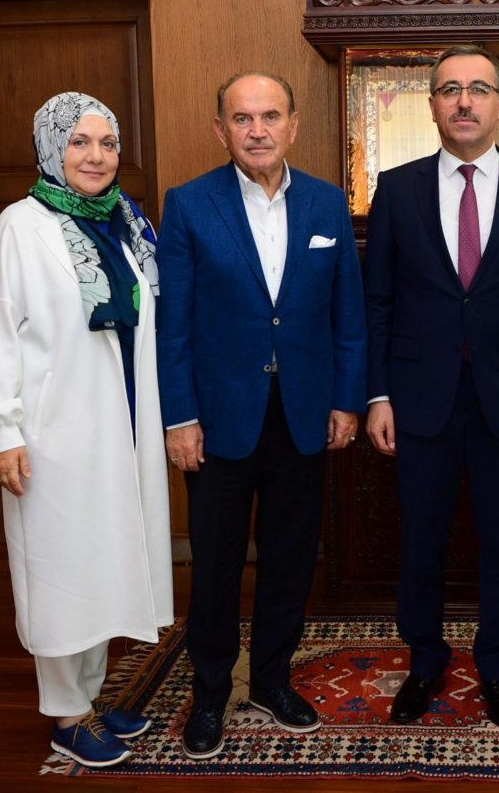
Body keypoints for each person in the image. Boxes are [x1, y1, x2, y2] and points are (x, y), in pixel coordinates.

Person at [362, 45, 499, 729]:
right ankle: (425, 661)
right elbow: (377, 304)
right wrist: (377, 395)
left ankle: (497, 668)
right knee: (420, 539)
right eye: (450, 89)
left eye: (478, 89)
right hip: (417, 398)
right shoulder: (396, 189)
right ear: (431, 105)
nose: (464, 101)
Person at [0, 92, 173, 768]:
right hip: (52, 432)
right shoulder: (19, 227)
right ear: (51, 148)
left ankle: (90, 697)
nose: (96, 156)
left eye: (107, 143)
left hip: (123, 420)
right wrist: (1, 432)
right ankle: (65, 714)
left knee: (104, 559)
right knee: (60, 569)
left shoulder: (127, 222)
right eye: (80, 142)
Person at [156, 72, 366, 759]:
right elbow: (173, 324)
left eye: (270, 116)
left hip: (303, 415)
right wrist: (179, 417)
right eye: (242, 119)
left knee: (289, 559)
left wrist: (346, 399)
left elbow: (348, 315)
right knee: (216, 565)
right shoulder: (189, 204)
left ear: (292, 125)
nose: (257, 130)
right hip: (218, 422)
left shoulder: (327, 203)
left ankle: (272, 681)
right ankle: (210, 695)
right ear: (221, 130)